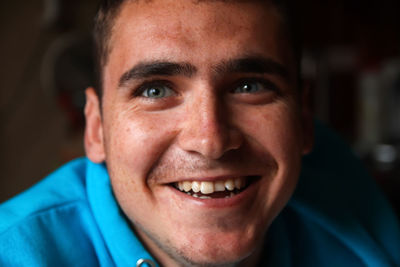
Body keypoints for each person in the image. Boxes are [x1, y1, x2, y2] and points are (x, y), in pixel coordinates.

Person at [0, 0, 399, 266]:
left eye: (250, 86)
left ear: (303, 118)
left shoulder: (356, 219)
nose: (210, 141)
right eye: (155, 90)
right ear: (97, 127)